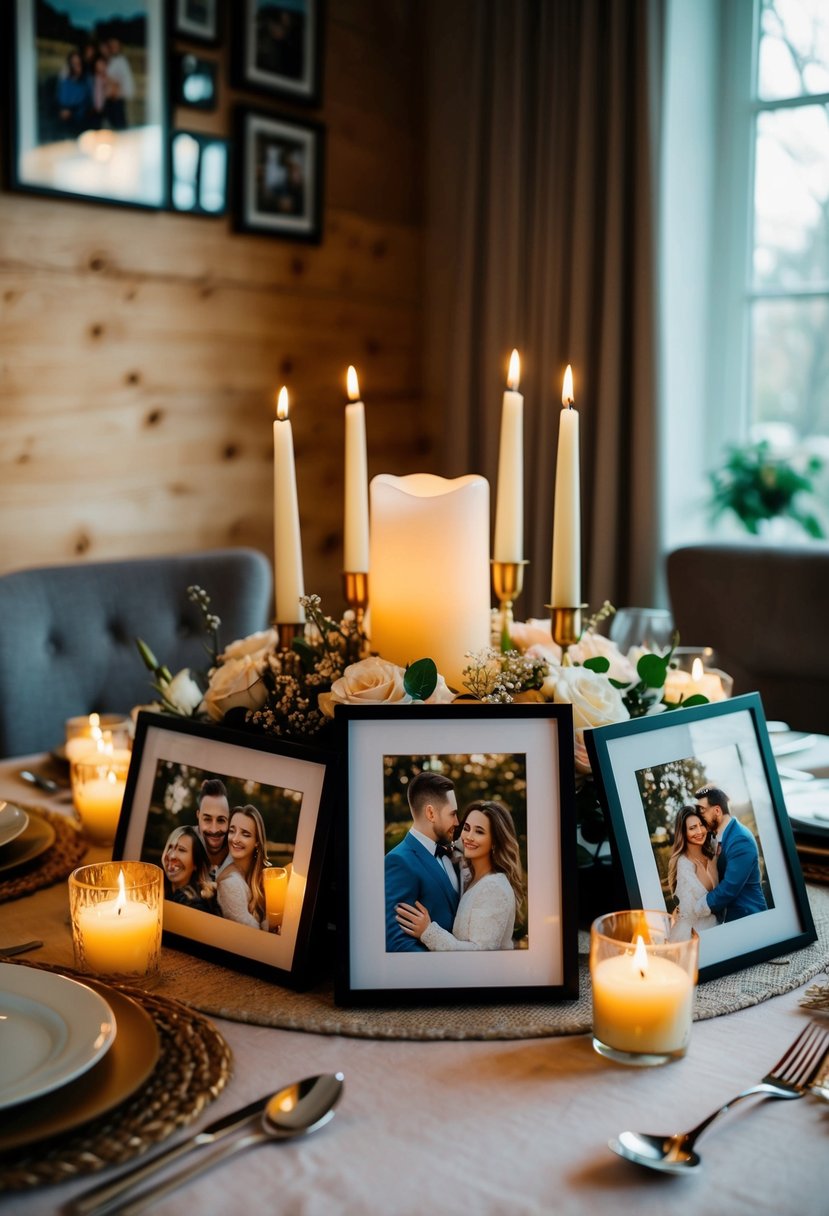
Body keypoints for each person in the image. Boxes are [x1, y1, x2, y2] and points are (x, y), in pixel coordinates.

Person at [395, 800, 524, 951]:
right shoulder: (470, 874)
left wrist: (428, 932)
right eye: (466, 828)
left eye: (479, 831)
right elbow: (458, 845)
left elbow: (479, 954)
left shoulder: (493, 888)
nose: (468, 837)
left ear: (495, 842)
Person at [384, 771, 460, 953]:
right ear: (431, 813)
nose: (457, 822)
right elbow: (397, 943)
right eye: (453, 814)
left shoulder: (450, 854)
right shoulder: (399, 861)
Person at [695, 785, 768, 921]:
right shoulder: (717, 837)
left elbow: (729, 887)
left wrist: (696, 908)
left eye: (703, 811)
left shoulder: (740, 839)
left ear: (717, 810)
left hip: (748, 917)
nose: (700, 817)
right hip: (730, 917)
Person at [667, 805, 719, 937]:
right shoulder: (684, 864)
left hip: (718, 927)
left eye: (701, 825)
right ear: (683, 833)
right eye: (692, 828)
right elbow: (688, 911)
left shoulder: (711, 854)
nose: (699, 831)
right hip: (695, 934)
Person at [217, 804, 268, 929]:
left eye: (245, 834)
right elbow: (255, 935)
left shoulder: (260, 876)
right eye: (232, 831)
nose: (235, 839)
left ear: (257, 842)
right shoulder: (230, 884)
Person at [161, 825, 218, 913]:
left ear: (196, 863)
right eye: (170, 847)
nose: (172, 856)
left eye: (181, 850)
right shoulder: (158, 891)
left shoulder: (193, 905)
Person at [195, 778, 233, 880]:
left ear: (229, 819)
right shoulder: (183, 850)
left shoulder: (238, 855)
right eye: (207, 819)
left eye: (221, 820)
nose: (214, 830)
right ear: (198, 816)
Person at [56, 50, 91, 137]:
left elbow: (84, 100)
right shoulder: (65, 80)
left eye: (78, 63)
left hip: (80, 122)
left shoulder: (86, 81)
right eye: (73, 63)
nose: (75, 66)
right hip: (65, 122)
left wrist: (70, 111)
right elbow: (61, 98)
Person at [104, 37, 135, 130]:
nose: (114, 48)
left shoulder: (121, 61)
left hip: (116, 98)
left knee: (119, 125)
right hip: (110, 98)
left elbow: (122, 80)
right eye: (112, 46)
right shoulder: (110, 60)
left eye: (116, 46)